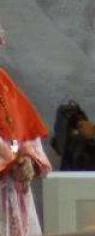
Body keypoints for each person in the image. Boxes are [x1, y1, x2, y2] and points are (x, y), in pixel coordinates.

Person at [0, 24, 52, 236]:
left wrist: (28, 160)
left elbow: (23, 134)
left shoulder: (4, 84)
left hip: (12, 192)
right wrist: (9, 161)